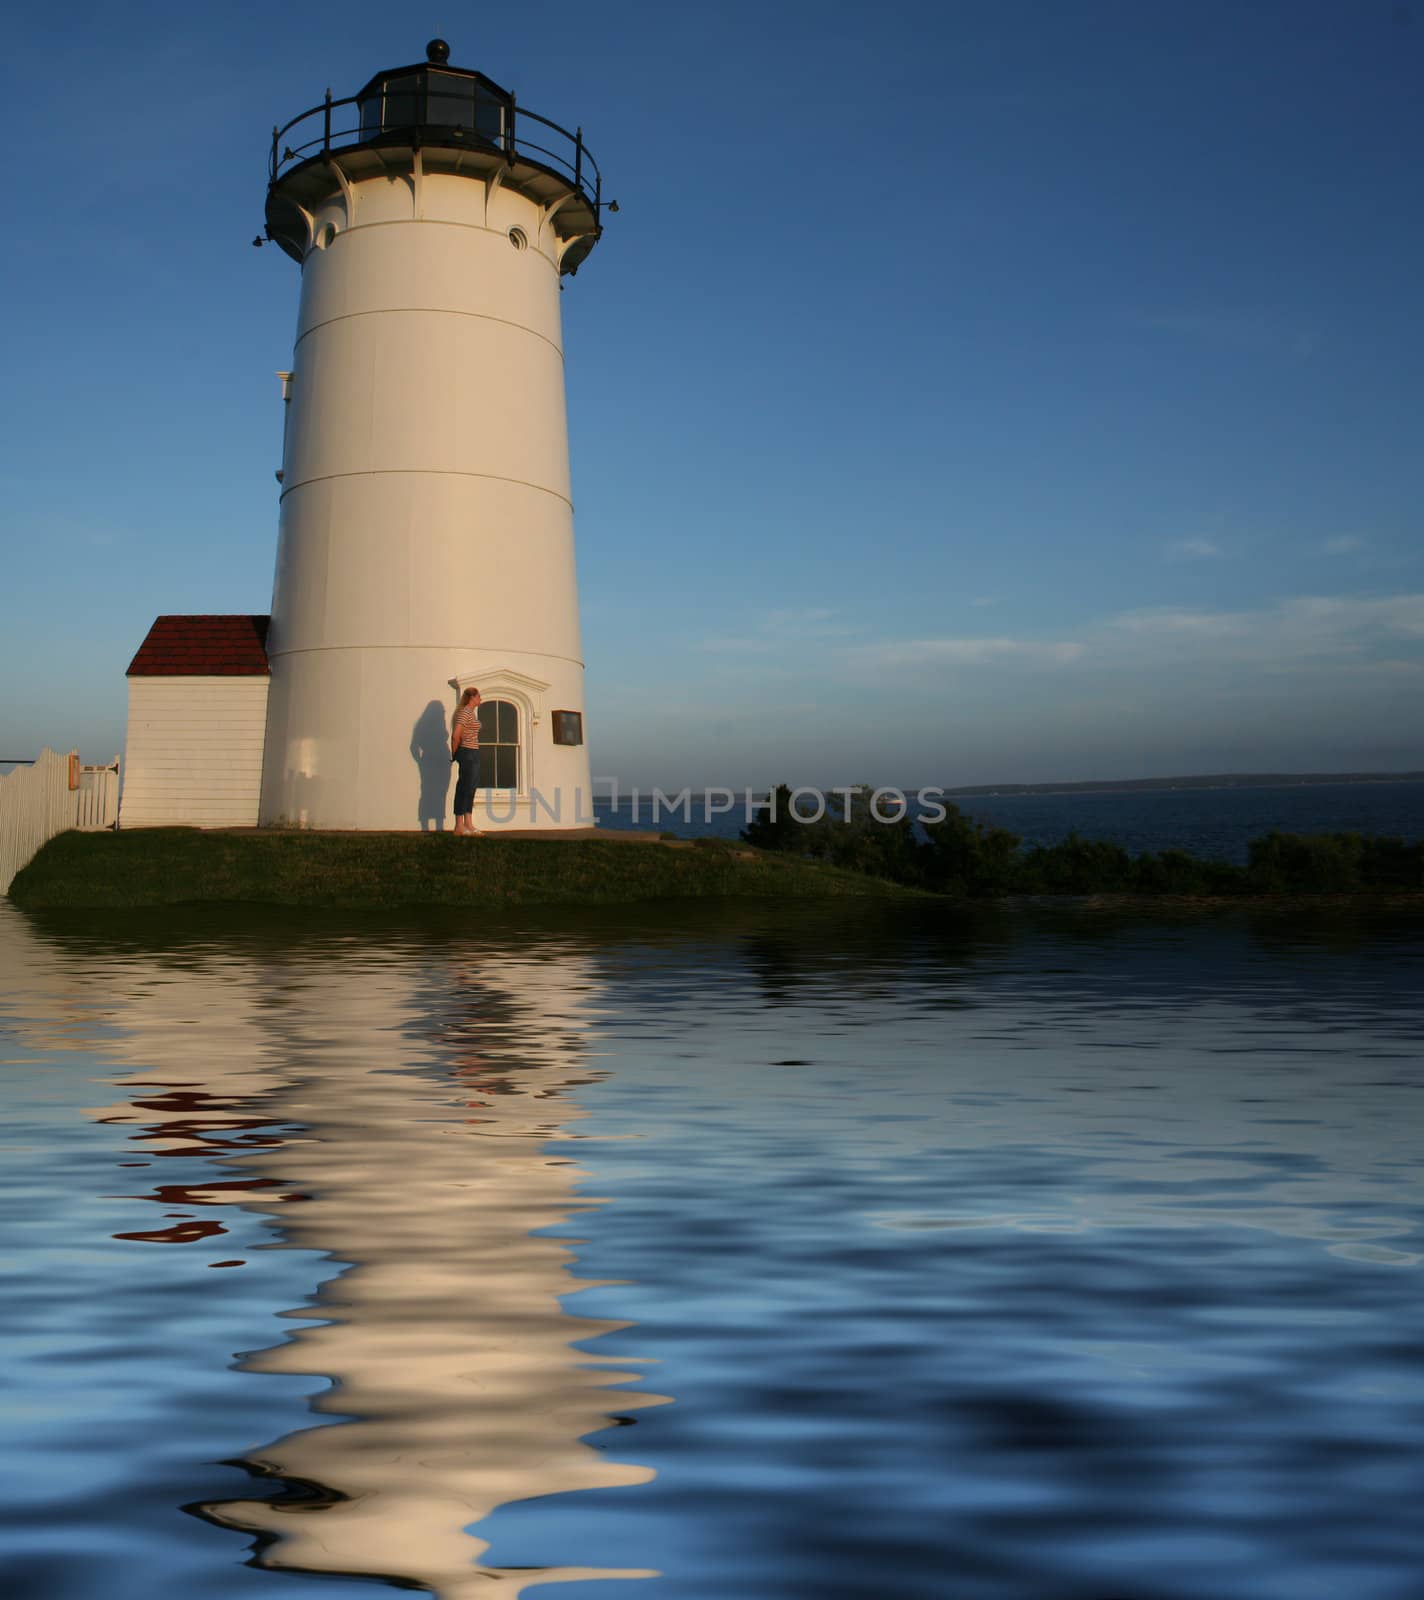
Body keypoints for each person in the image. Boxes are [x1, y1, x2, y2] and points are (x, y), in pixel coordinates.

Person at [450, 687, 484, 836]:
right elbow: (456, 735)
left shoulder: (471, 713)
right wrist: (455, 753)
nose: (480, 699)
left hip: (474, 752)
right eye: (479, 696)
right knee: (464, 787)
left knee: (471, 787)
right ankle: (459, 825)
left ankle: (468, 823)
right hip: (467, 752)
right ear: (472, 698)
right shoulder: (464, 712)